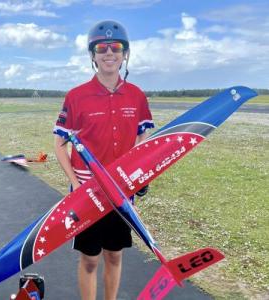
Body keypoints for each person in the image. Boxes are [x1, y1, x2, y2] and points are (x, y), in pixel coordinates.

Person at [54, 20, 154, 300]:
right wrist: (75, 185)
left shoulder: (136, 96)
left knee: (114, 255)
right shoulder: (76, 96)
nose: (109, 53)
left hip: (120, 191)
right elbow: (59, 144)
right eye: (102, 47)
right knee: (89, 259)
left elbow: (144, 137)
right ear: (93, 55)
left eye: (116, 47)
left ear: (125, 54)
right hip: (87, 194)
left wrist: (140, 174)